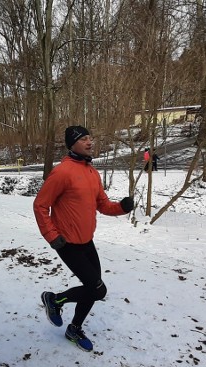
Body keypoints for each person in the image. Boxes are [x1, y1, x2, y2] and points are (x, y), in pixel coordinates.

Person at [33, 125, 134, 352]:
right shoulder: (62, 172)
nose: (90, 142)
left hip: (87, 241)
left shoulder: (91, 172)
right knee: (98, 290)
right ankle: (55, 300)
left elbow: (103, 205)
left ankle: (74, 328)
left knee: (92, 288)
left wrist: (121, 208)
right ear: (73, 144)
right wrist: (52, 235)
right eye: (84, 139)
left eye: (91, 138)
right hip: (66, 243)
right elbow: (40, 205)